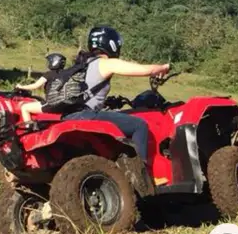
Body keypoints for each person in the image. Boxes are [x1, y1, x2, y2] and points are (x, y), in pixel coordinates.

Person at [63, 26, 170, 166]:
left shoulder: (83, 64)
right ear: (111, 44)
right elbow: (145, 70)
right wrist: (163, 67)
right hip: (87, 115)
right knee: (139, 125)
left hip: (70, 114)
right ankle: (141, 171)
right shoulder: (106, 63)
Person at [14, 53, 67, 124]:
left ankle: (28, 127)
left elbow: (35, 85)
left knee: (24, 107)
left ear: (54, 62)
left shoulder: (49, 74)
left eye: (49, 61)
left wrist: (21, 87)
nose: (48, 63)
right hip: (62, 104)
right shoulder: (66, 74)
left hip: (51, 104)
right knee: (36, 102)